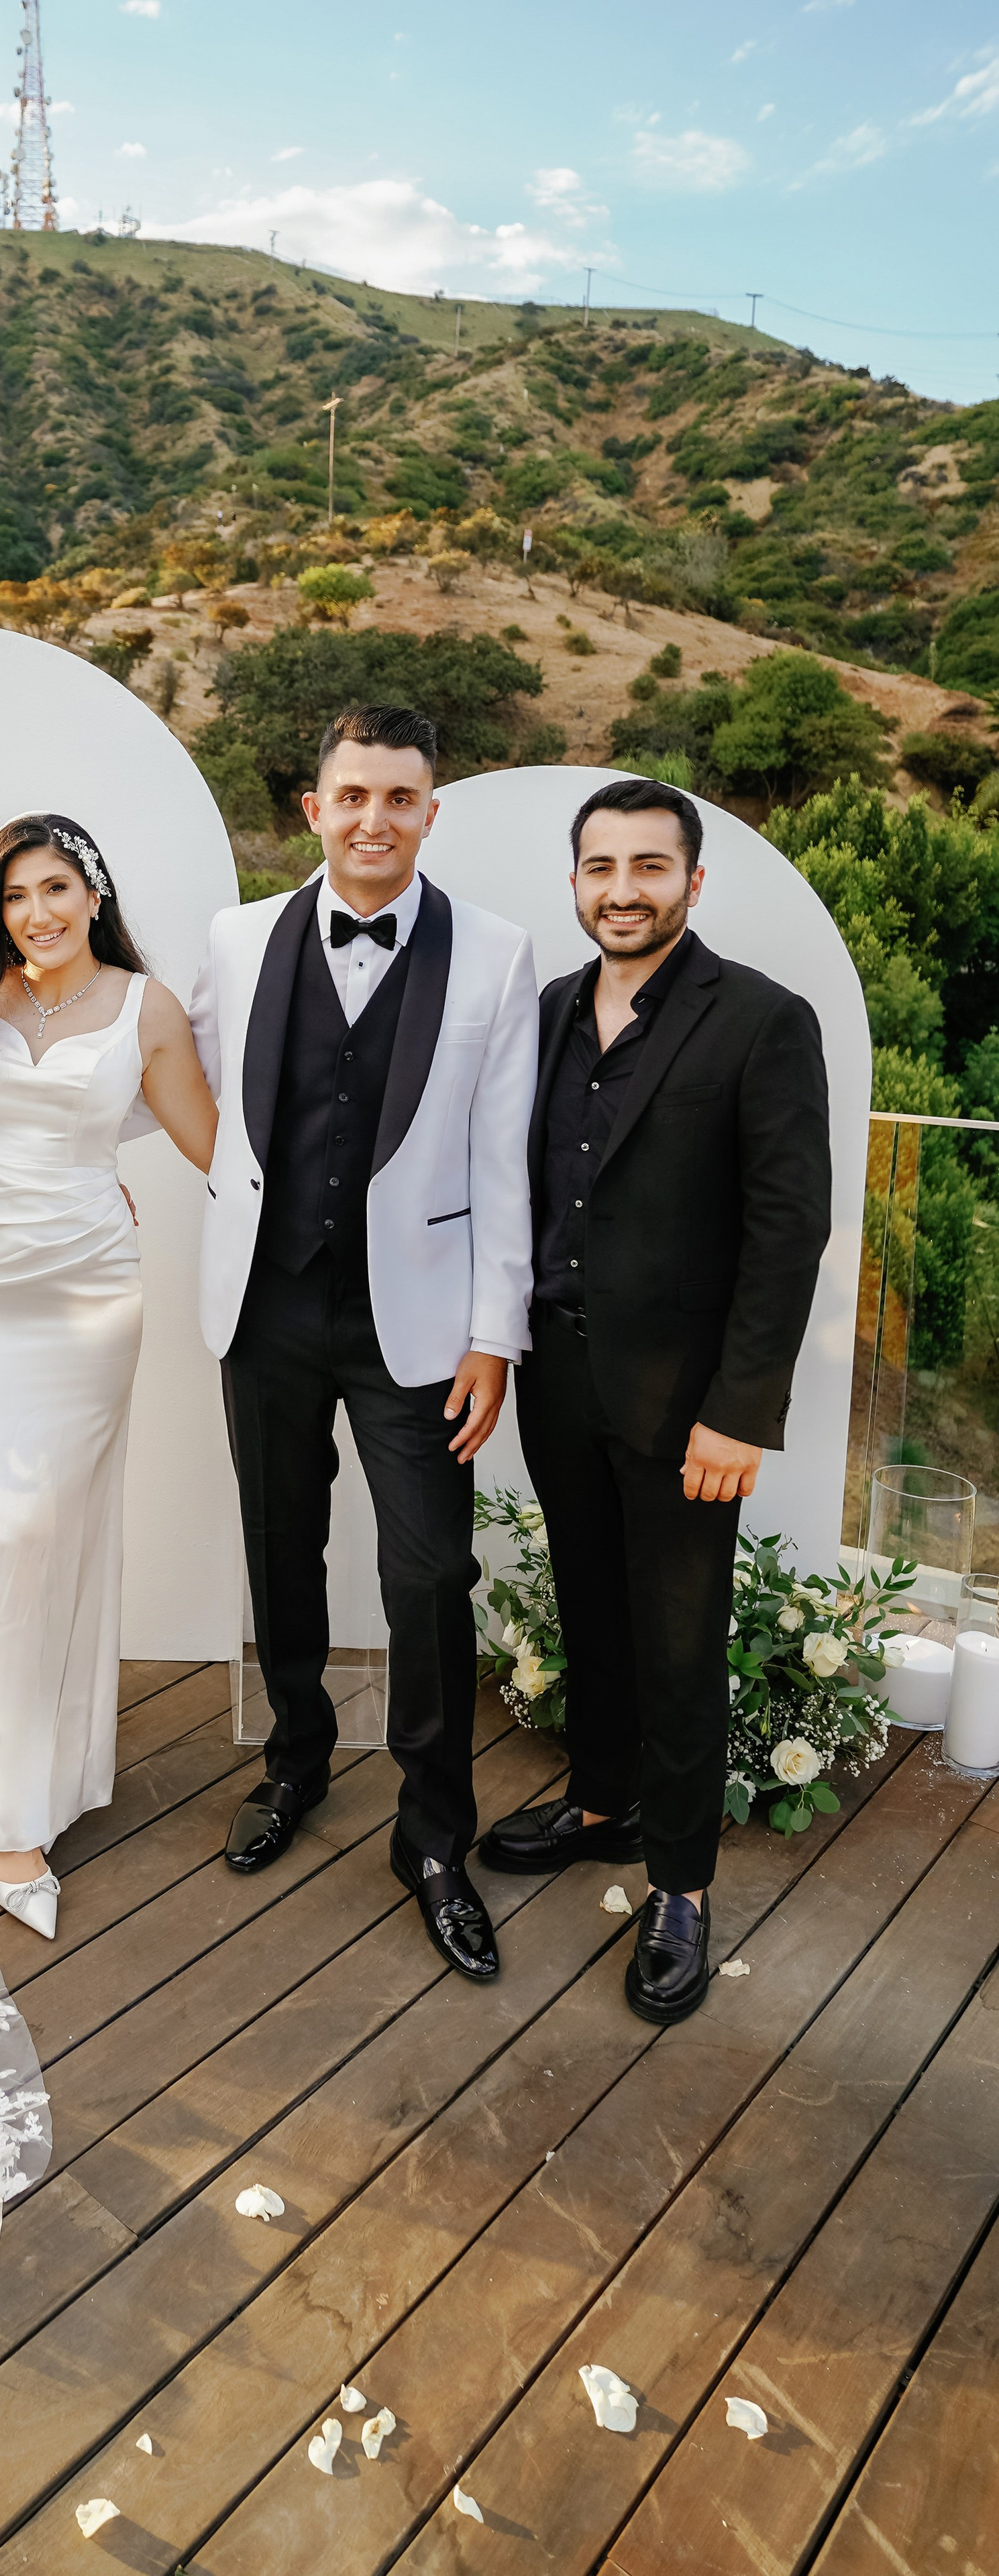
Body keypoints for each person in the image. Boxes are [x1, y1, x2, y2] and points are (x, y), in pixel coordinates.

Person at [191, 703, 537, 1984]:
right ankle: (296, 1760)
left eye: (401, 799)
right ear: (315, 810)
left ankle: (435, 1835)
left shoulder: (497, 955)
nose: (376, 819)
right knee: (281, 1545)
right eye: (355, 797)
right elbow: (195, 1085)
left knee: (431, 1578)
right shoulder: (236, 939)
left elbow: (504, 1166)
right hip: (266, 1304)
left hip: (422, 1322)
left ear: (430, 813)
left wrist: (494, 1338)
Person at [480, 776, 832, 2025]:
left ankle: (680, 1884)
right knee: (588, 1602)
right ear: (575, 882)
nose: (622, 890)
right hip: (558, 1373)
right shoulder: (550, 1012)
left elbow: (787, 1232)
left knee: (680, 1643)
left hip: (690, 1403)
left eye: (648, 867)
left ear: (693, 879)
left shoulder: (761, 1021)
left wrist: (741, 1410)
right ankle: (601, 1802)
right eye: (600, 868)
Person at [0, 812, 219, 1938]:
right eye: (14, 897)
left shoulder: (148, 1008)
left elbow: (211, 1141)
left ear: (93, 895)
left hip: (88, 1289)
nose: (36, 914)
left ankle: (24, 1800)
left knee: (45, 1527)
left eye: (55, 889)